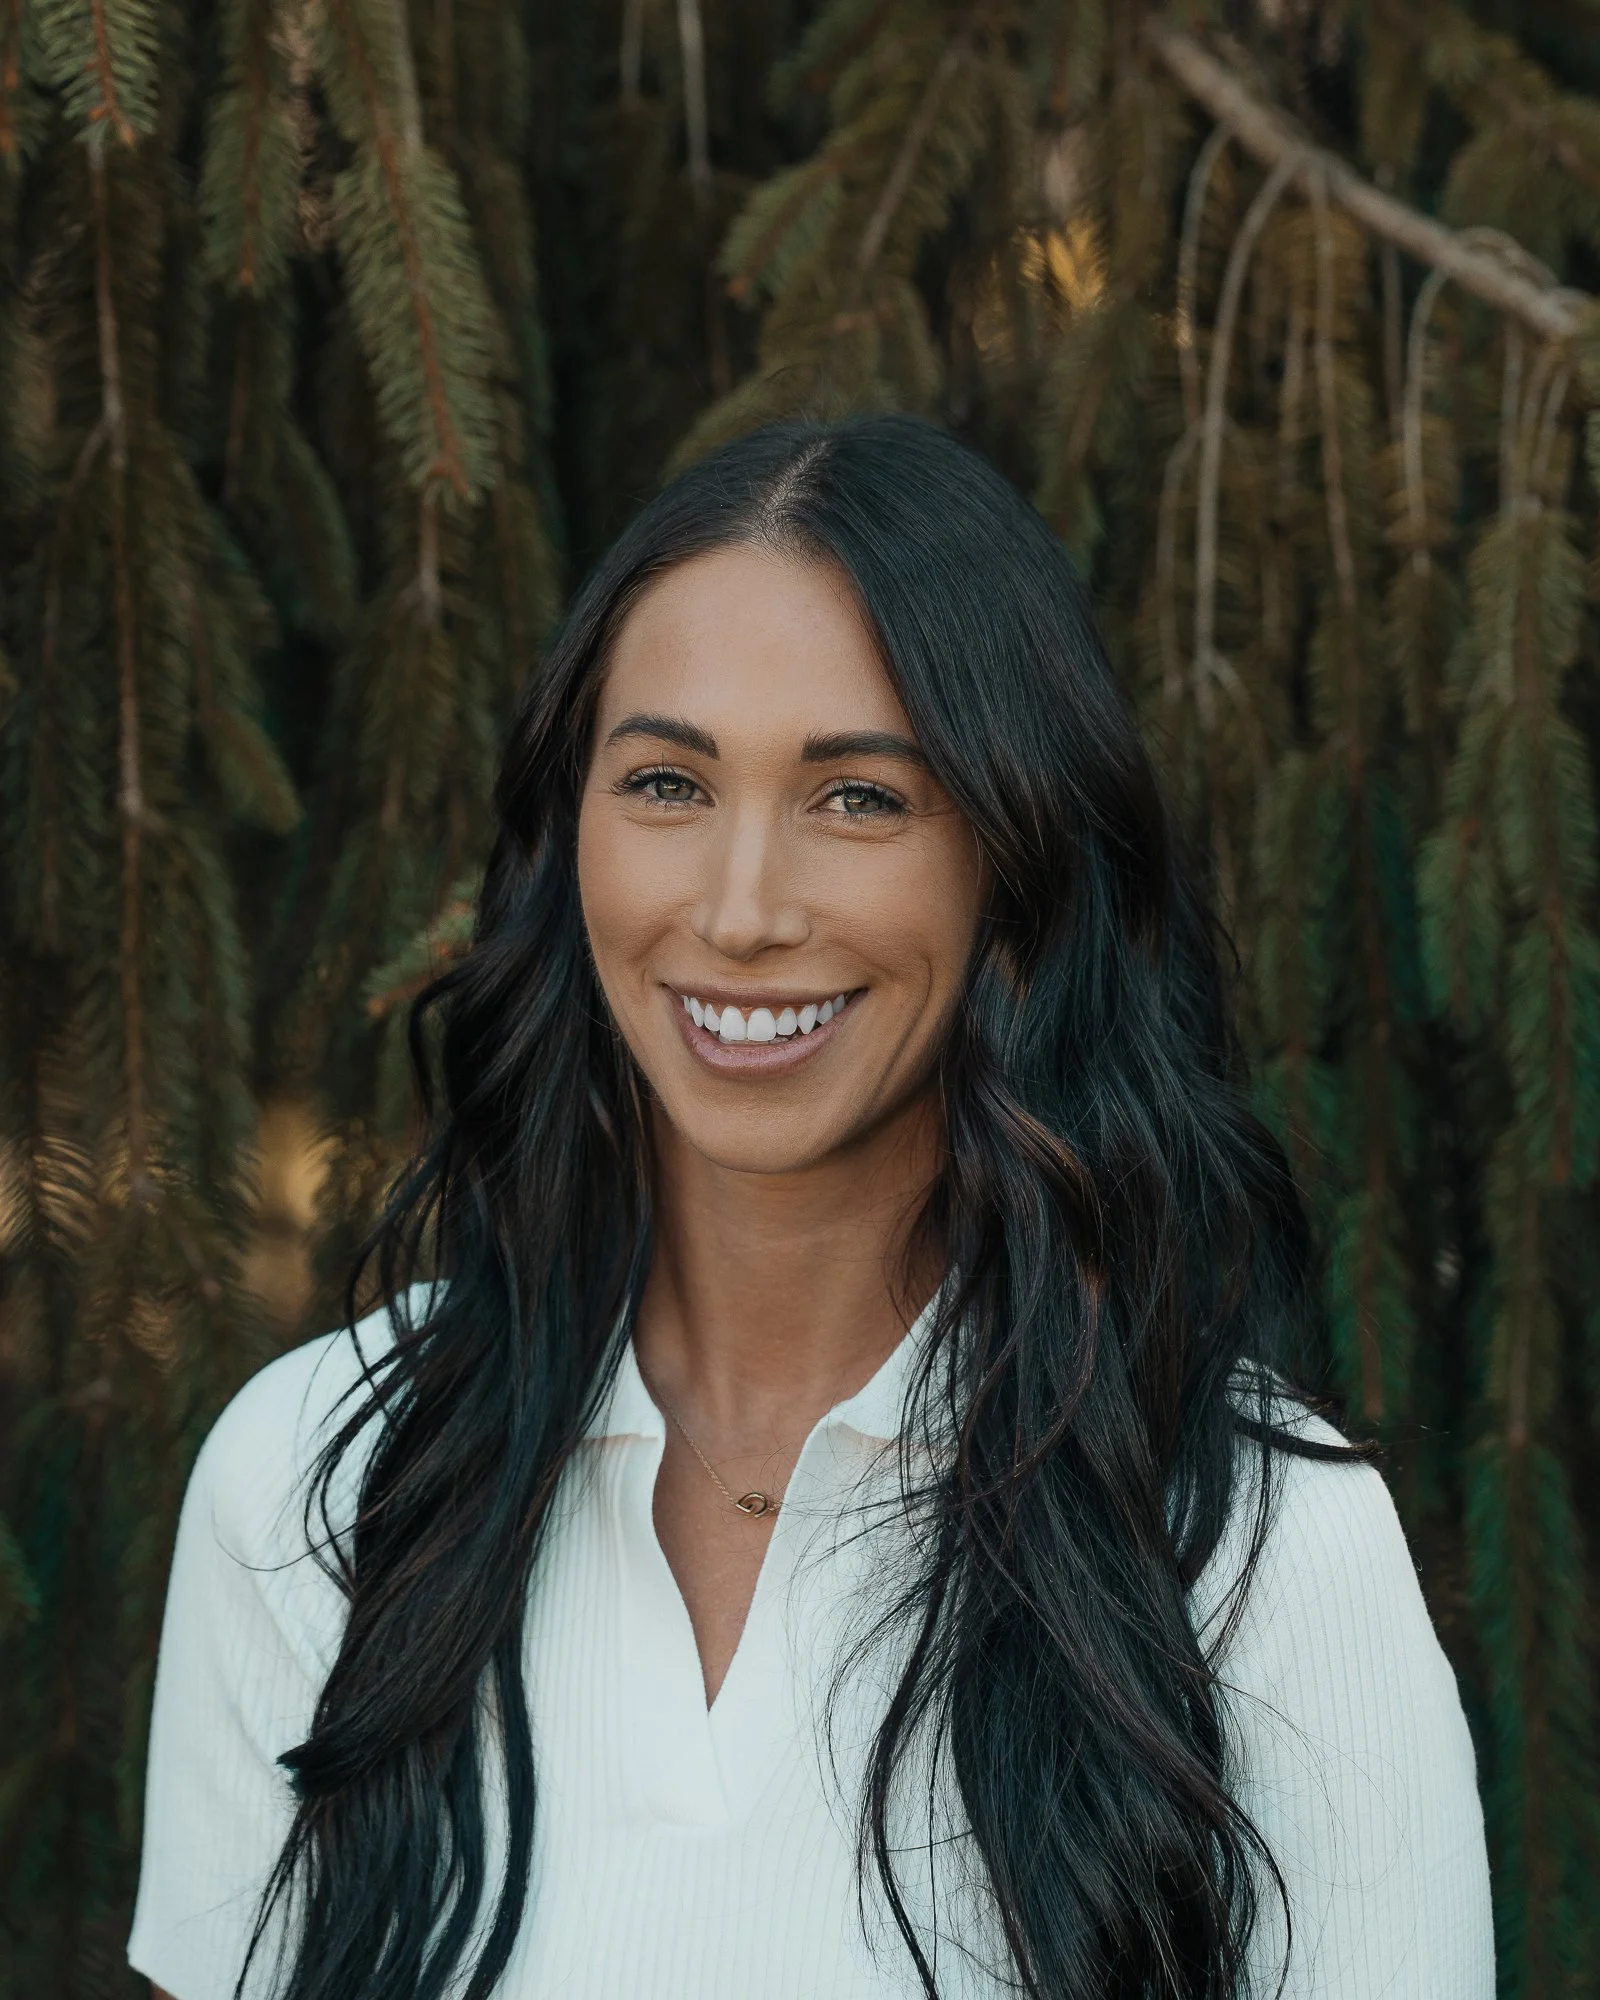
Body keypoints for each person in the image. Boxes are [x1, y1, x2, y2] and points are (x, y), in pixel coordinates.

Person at [128, 415, 1493, 2000]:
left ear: (1018, 859)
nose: (741, 910)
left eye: (858, 799)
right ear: (570, 836)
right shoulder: (322, 1481)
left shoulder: (1260, 1550)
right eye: (667, 783)